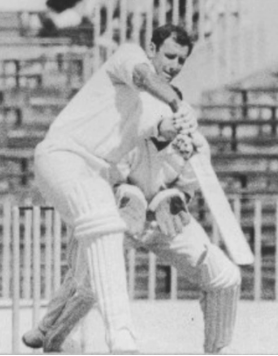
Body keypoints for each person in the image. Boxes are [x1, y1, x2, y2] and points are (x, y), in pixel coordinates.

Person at [32, 24, 196, 352]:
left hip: (95, 176)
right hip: (63, 155)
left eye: (181, 61)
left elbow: (160, 129)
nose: (174, 65)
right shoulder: (130, 56)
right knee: (106, 227)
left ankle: (46, 332)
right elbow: (146, 79)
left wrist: (176, 134)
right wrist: (179, 104)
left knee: (90, 271)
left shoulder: (161, 106)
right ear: (152, 48)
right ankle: (122, 338)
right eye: (169, 55)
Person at [23, 128, 241, 354]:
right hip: (117, 215)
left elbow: (187, 187)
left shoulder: (191, 144)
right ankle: (52, 334)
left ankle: (218, 349)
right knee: (88, 282)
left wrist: (176, 197)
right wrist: (125, 194)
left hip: (164, 221)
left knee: (224, 276)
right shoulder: (125, 133)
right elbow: (107, 179)